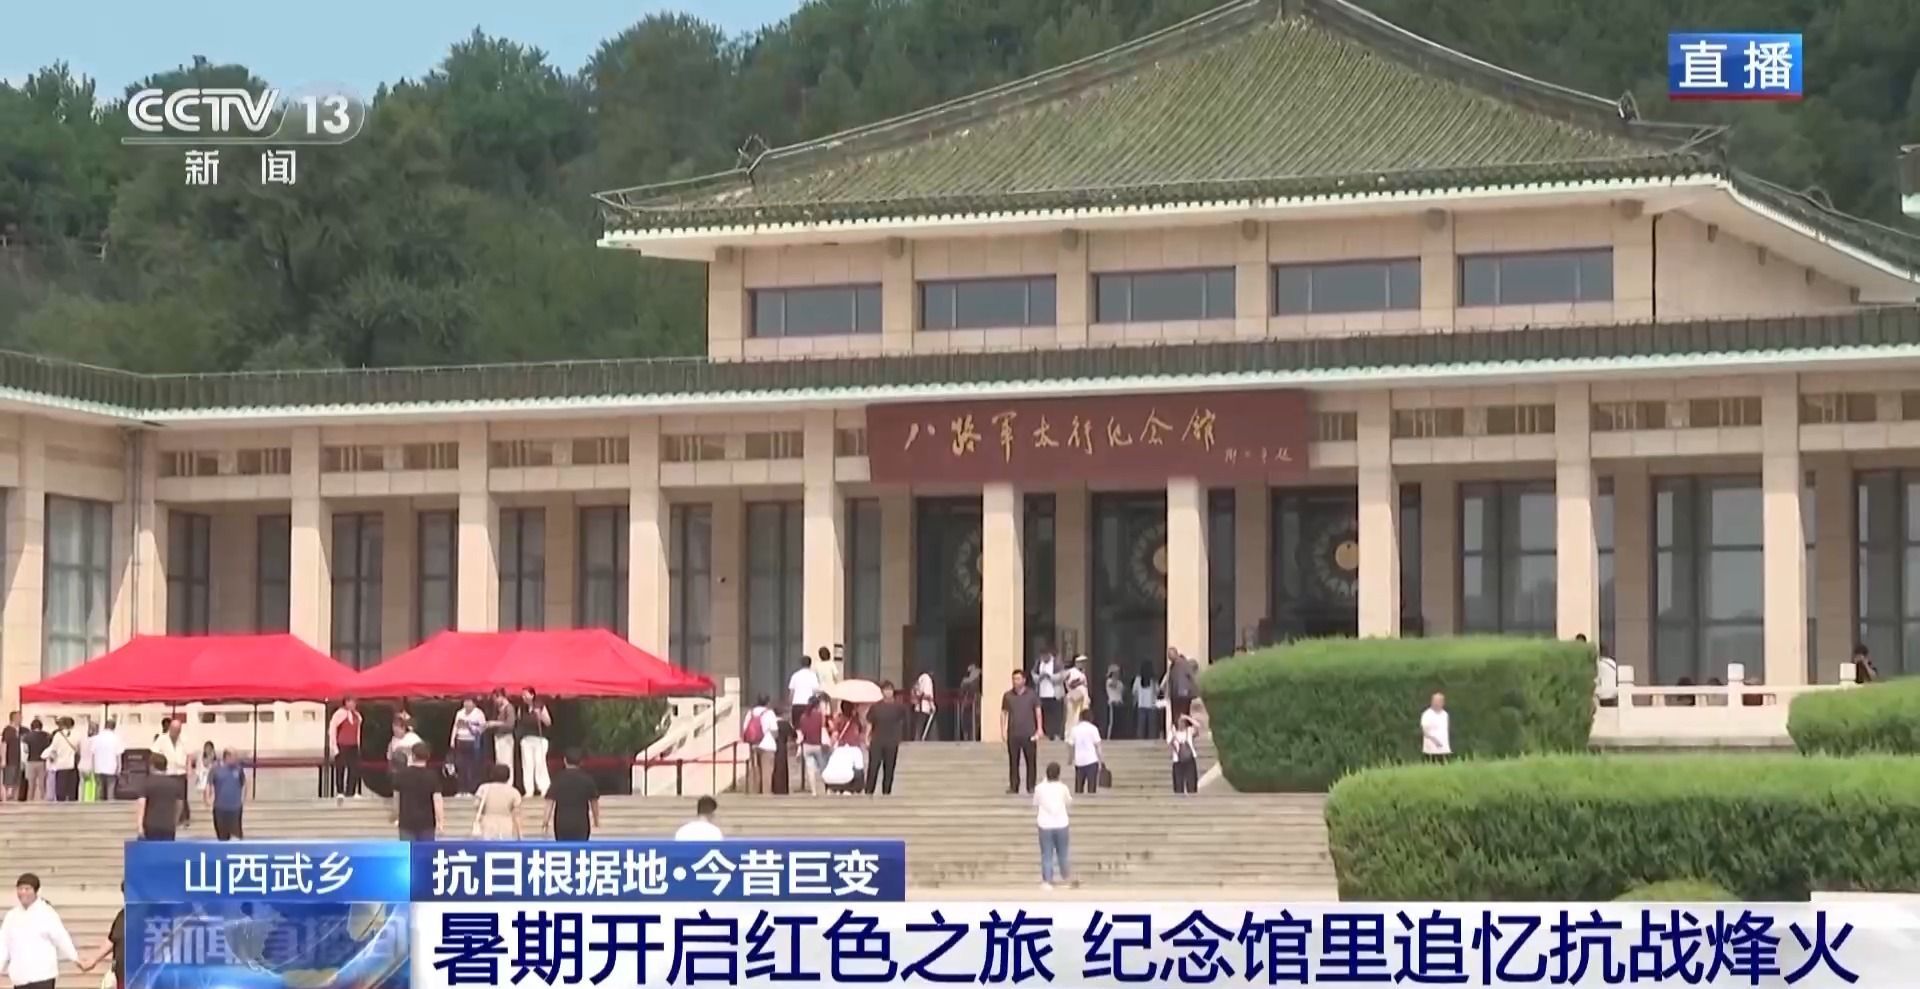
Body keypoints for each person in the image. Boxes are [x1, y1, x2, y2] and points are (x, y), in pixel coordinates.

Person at [0, 873, 80, 989]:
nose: (23, 892)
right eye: (20, 889)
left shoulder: (46, 913)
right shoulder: (11, 916)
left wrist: (76, 959)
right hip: (20, 978)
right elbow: (3, 945)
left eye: (27, 889)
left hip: (43, 977)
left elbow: (61, 938)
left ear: (36, 891)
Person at [1032, 763, 1074, 891]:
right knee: (1063, 853)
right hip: (1061, 823)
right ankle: (1065, 878)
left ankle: (1047, 880)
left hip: (1045, 824)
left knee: (1046, 854)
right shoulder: (1063, 788)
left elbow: (1035, 802)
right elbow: (1069, 801)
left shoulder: (1039, 788)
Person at [1001, 670, 1042, 794]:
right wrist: (1003, 730)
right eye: (1014, 679)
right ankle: (1014, 786)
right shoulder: (1008, 696)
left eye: (1018, 679)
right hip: (1013, 733)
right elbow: (1004, 713)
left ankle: (1031, 786)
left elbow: (1038, 711)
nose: (1015, 681)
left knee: (1031, 761)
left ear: (1024, 680)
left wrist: (1039, 728)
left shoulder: (1032, 694)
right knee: (1013, 761)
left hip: (1029, 733)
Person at [545, 749, 600, 841]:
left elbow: (549, 801)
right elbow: (594, 802)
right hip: (581, 823)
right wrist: (596, 820)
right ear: (581, 762)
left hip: (562, 823)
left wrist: (545, 820)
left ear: (565, 760)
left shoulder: (558, 778)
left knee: (563, 848)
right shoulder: (587, 779)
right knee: (580, 848)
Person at [391, 741, 442, 841]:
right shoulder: (432, 776)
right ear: (428, 757)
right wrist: (440, 821)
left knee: (408, 849)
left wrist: (395, 815)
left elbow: (396, 798)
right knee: (425, 850)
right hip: (427, 823)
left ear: (413, 756)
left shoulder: (401, 775)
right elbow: (438, 801)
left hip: (406, 822)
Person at [865, 684, 909, 796]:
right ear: (882, 692)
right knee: (873, 767)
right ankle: (869, 792)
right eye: (885, 690)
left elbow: (904, 722)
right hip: (877, 740)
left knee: (889, 768)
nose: (888, 692)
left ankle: (886, 792)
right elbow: (869, 723)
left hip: (891, 741)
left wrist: (901, 737)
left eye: (890, 690)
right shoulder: (875, 707)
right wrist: (866, 737)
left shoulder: (899, 707)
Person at [79, 885, 123, 989]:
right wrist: (93, 960)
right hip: (122, 975)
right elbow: (113, 939)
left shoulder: (152, 915)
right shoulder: (123, 915)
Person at [150, 719, 190, 828]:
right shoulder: (162, 739)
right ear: (170, 729)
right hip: (167, 772)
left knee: (182, 797)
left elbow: (189, 755)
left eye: (178, 730)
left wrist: (189, 768)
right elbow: (154, 753)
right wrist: (155, 769)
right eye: (174, 730)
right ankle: (169, 818)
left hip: (181, 772)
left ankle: (183, 819)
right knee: (169, 798)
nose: (176, 733)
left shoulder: (184, 739)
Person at [133, 753, 179, 841]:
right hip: (168, 825)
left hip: (150, 825)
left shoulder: (146, 782)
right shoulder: (175, 783)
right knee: (166, 849)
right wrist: (175, 821)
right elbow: (179, 804)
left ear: (151, 766)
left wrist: (139, 826)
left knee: (150, 849)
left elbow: (141, 804)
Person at [515, 689, 553, 796]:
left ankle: (544, 787)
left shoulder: (540, 706)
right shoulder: (521, 708)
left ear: (532, 695)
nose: (523, 697)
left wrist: (539, 715)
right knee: (527, 764)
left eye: (525, 694)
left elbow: (548, 722)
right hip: (526, 739)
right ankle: (529, 789)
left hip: (539, 738)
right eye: (522, 695)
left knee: (540, 763)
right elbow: (519, 721)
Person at [471, 765, 522, 840]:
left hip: (487, 822)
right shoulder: (514, 791)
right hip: (506, 824)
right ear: (508, 777)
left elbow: (476, 805)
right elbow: (516, 814)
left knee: (488, 845)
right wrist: (519, 834)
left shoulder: (484, 788)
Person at [328, 697, 364, 799]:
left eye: (354, 702)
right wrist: (334, 747)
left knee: (354, 769)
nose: (353, 704)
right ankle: (340, 791)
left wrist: (359, 745)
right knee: (340, 768)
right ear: (346, 702)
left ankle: (351, 791)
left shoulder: (357, 715)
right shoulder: (339, 714)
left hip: (353, 745)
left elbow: (358, 732)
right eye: (351, 702)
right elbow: (332, 729)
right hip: (342, 744)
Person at [206, 749, 247, 841]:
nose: (236, 759)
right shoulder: (215, 769)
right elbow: (209, 784)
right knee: (222, 836)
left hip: (235, 808)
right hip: (220, 808)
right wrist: (208, 798)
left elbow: (244, 784)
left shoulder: (238, 769)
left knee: (236, 837)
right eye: (234, 757)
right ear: (227, 757)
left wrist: (242, 799)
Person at [449, 697, 487, 794]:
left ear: (474, 703)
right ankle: (461, 789)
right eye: (465, 701)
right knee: (461, 765)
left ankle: (471, 789)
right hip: (460, 740)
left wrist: (470, 726)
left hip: (472, 742)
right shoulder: (460, 713)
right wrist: (452, 740)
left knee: (472, 766)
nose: (466, 704)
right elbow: (455, 726)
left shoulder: (479, 713)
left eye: (469, 702)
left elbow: (482, 727)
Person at [742, 696, 777, 795]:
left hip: (754, 744)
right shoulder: (769, 713)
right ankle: (766, 793)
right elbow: (774, 729)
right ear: (767, 702)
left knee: (755, 769)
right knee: (767, 771)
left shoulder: (750, 713)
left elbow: (745, 729)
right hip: (768, 744)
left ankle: (754, 791)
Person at [797, 698, 828, 796]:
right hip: (817, 745)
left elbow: (802, 732)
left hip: (807, 745)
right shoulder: (820, 715)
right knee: (823, 768)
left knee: (810, 770)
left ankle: (814, 791)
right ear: (817, 705)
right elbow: (823, 727)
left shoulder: (803, 717)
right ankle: (826, 789)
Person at [1069, 709, 1103, 794]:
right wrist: (1101, 760)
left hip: (1079, 761)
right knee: (1092, 787)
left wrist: (1070, 759)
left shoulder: (1074, 729)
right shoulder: (1093, 729)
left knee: (1078, 787)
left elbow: (1071, 746)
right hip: (1092, 760)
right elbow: (1098, 746)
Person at [1162, 648, 1198, 728]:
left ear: (1175, 654)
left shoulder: (1184, 664)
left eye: (1170, 655)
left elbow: (1191, 677)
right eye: (1168, 656)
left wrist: (1194, 691)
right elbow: (1170, 680)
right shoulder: (1172, 666)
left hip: (1184, 694)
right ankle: (1178, 730)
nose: (1169, 658)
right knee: (1176, 715)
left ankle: (1184, 730)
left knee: (1183, 715)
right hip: (1175, 695)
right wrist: (1168, 693)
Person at [1032, 650, 1063, 740]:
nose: (1043, 658)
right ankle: (1044, 732)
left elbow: (1061, 676)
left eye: (1045, 656)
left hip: (1054, 694)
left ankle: (1055, 733)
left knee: (1055, 716)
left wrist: (1050, 676)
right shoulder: (1038, 663)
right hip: (1042, 694)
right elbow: (1034, 675)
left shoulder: (1056, 663)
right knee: (1044, 715)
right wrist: (1040, 677)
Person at [90, 718, 122, 803]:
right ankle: (109, 805)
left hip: (98, 767)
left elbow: (92, 753)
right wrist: (119, 768)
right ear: (114, 727)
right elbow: (118, 755)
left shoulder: (96, 738)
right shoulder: (116, 738)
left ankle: (97, 805)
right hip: (111, 767)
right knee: (110, 788)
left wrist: (92, 767)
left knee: (98, 787)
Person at [46, 718, 78, 803]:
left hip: (61, 765)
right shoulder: (76, 734)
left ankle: (61, 804)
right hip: (72, 764)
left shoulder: (58, 735)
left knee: (61, 788)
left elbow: (53, 749)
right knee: (72, 788)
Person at [1169, 714, 1200, 794]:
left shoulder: (1189, 731)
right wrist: (1173, 733)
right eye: (1179, 722)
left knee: (1191, 783)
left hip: (1189, 759)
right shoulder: (1172, 733)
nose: (1181, 724)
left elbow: (1197, 725)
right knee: (1178, 785)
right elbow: (1169, 743)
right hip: (1177, 760)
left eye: (1183, 722)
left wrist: (1187, 717)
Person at [788, 655, 820, 727]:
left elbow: (791, 692)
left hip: (796, 704)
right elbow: (815, 691)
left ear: (801, 664)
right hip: (809, 705)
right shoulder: (813, 676)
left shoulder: (795, 675)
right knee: (808, 727)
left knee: (797, 726)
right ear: (810, 664)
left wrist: (790, 705)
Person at [23, 718, 49, 802]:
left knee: (31, 784)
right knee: (42, 783)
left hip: (31, 761)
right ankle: (43, 799)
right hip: (42, 762)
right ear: (41, 726)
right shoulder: (46, 735)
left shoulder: (27, 736)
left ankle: (30, 800)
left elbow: (26, 750)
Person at [1420, 692, 1451, 763]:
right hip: (1431, 750)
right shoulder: (1427, 714)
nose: (1437, 703)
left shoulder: (1445, 714)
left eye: (1439, 701)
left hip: (1444, 749)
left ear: (1443, 703)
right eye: (1435, 701)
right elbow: (1425, 731)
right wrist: (1435, 741)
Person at [1134, 663, 1160, 740]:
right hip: (1152, 706)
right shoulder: (1153, 680)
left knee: (1141, 728)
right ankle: (1152, 742)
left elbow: (1134, 692)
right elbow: (1157, 692)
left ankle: (1140, 742)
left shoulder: (1138, 679)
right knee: (1152, 728)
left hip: (1141, 705)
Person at [957, 663, 982, 742]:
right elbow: (962, 691)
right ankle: (968, 738)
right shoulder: (967, 680)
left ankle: (973, 738)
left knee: (974, 723)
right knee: (966, 723)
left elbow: (969, 683)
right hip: (967, 702)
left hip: (975, 702)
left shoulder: (975, 676)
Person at [911, 670, 937, 741]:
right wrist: (932, 705)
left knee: (919, 726)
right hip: (925, 707)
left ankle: (917, 740)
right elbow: (927, 694)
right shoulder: (927, 678)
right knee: (923, 726)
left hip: (919, 706)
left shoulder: (919, 679)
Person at [2, 712, 21, 802]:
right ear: (14, 718)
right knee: (8, 780)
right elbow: (4, 744)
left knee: (16, 781)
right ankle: (5, 798)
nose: (20, 719)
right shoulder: (7, 730)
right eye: (19, 717)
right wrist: (3, 759)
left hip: (17, 760)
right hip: (10, 759)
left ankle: (14, 799)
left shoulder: (18, 731)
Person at [76, 719, 96, 802]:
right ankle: (90, 800)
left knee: (81, 783)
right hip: (91, 765)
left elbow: (77, 750)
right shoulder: (95, 740)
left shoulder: (82, 740)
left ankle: (80, 799)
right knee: (92, 783)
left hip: (81, 764)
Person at [1104, 665, 1126, 739]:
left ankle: (1118, 737)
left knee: (1119, 722)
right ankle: (1109, 738)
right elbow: (1113, 685)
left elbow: (1122, 692)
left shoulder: (1120, 683)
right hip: (1112, 703)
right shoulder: (1109, 681)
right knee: (1112, 722)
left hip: (1119, 703)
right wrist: (1113, 676)